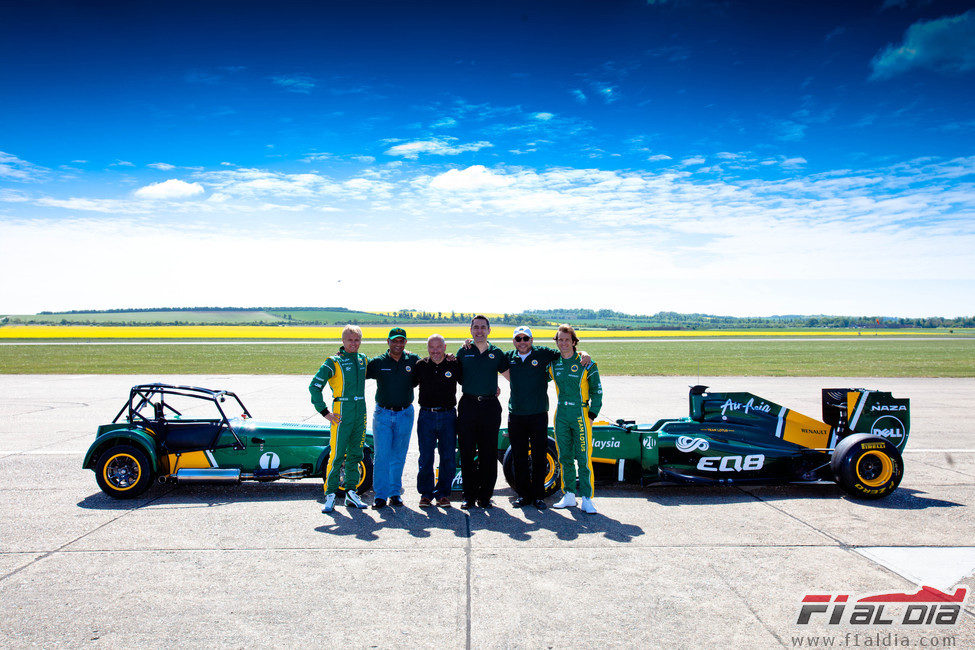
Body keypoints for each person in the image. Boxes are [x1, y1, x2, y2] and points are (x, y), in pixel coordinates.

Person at [502, 326, 590, 510]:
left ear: (532, 340)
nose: (522, 342)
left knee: (539, 456)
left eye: (526, 338)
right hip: (516, 415)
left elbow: (566, 351)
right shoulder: (509, 356)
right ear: (513, 341)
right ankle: (524, 496)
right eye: (518, 339)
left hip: (538, 414)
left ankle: (538, 496)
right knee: (519, 457)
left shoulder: (543, 354)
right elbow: (489, 361)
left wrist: (584, 353)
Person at [309, 324, 369, 513]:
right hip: (341, 412)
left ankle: (352, 493)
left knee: (356, 455)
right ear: (343, 341)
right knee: (336, 455)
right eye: (350, 340)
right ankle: (330, 494)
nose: (354, 343)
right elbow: (314, 387)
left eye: (357, 339)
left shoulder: (363, 360)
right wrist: (325, 412)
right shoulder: (333, 361)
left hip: (361, 411)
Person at [455, 315, 509, 509]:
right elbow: (456, 376)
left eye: (483, 327)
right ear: (471, 330)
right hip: (468, 405)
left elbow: (512, 375)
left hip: (489, 407)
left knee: (488, 453)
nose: (479, 331)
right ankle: (468, 496)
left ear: (489, 330)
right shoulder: (463, 351)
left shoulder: (497, 353)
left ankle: (485, 496)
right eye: (475, 327)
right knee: (467, 452)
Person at [548, 324, 603, 514]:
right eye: (560, 340)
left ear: (573, 342)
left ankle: (587, 498)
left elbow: (597, 390)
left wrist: (592, 413)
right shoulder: (553, 363)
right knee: (564, 456)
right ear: (556, 342)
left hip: (581, 414)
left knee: (583, 457)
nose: (563, 343)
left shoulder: (586, 362)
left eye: (566, 340)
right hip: (561, 414)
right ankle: (569, 494)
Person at [366, 327, 420, 509]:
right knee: (382, 455)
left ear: (405, 342)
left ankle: (395, 493)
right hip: (383, 414)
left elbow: (433, 366)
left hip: (405, 413)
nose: (398, 344)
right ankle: (380, 495)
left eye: (401, 341)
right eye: (394, 340)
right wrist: (343, 354)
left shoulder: (413, 360)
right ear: (387, 342)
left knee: (399, 455)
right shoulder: (378, 362)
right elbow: (357, 373)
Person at [411, 334, 462, 508]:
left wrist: (495, 387)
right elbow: (408, 383)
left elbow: (469, 380)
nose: (435, 351)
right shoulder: (421, 365)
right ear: (427, 348)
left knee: (447, 456)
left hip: (448, 416)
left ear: (445, 347)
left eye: (438, 347)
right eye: (431, 347)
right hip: (426, 416)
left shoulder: (454, 364)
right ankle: (426, 494)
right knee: (426, 457)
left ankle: (443, 494)